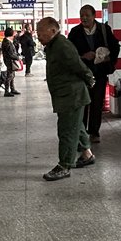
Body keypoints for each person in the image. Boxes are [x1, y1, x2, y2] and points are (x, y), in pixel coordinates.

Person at [35, 17, 95, 181]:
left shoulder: (62, 45)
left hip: (71, 95)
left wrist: (90, 78)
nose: (38, 35)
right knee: (76, 125)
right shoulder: (53, 45)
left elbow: (77, 64)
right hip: (66, 94)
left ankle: (64, 165)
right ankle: (87, 154)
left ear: (53, 31)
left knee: (67, 130)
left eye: (41, 31)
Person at [67, 4, 120, 144]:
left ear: (93, 16)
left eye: (87, 15)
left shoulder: (104, 29)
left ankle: (94, 132)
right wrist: (84, 56)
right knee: (83, 103)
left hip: (100, 73)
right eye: (81, 15)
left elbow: (116, 46)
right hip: (82, 74)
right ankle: (82, 131)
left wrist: (108, 58)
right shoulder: (75, 32)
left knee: (97, 103)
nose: (84, 18)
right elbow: (70, 53)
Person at [0, 28, 20, 96]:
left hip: (10, 60)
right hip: (9, 61)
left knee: (12, 75)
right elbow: (10, 53)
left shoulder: (7, 41)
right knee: (10, 76)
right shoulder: (7, 42)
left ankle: (12, 89)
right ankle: (6, 91)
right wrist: (17, 58)